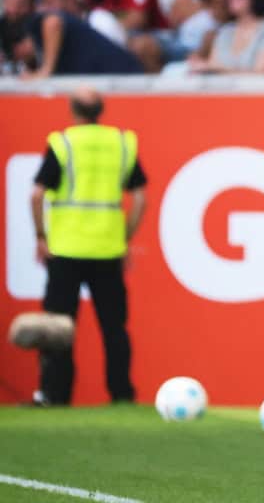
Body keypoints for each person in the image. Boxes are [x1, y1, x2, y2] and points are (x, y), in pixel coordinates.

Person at [28, 87, 147, 406]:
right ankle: (122, 395)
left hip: (65, 248)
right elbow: (139, 197)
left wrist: (41, 236)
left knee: (58, 327)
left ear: (72, 109)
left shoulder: (63, 143)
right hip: (108, 249)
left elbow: (37, 194)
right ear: (101, 110)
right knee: (114, 328)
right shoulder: (121, 143)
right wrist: (125, 237)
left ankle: (55, 395)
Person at [2, 10, 144, 77]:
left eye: (14, 57)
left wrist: (45, 71)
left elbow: (53, 23)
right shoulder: (38, 55)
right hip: (103, 81)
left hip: (123, 73)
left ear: (17, 48)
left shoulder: (35, 27)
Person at [188, 0, 264, 74]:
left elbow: (262, 73)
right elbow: (213, 66)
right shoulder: (225, 31)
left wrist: (212, 68)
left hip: (255, 89)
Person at [40, 0, 127, 47]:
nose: (44, 9)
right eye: (43, 2)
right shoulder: (56, 32)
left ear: (70, 1)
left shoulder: (100, 21)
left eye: (50, 2)